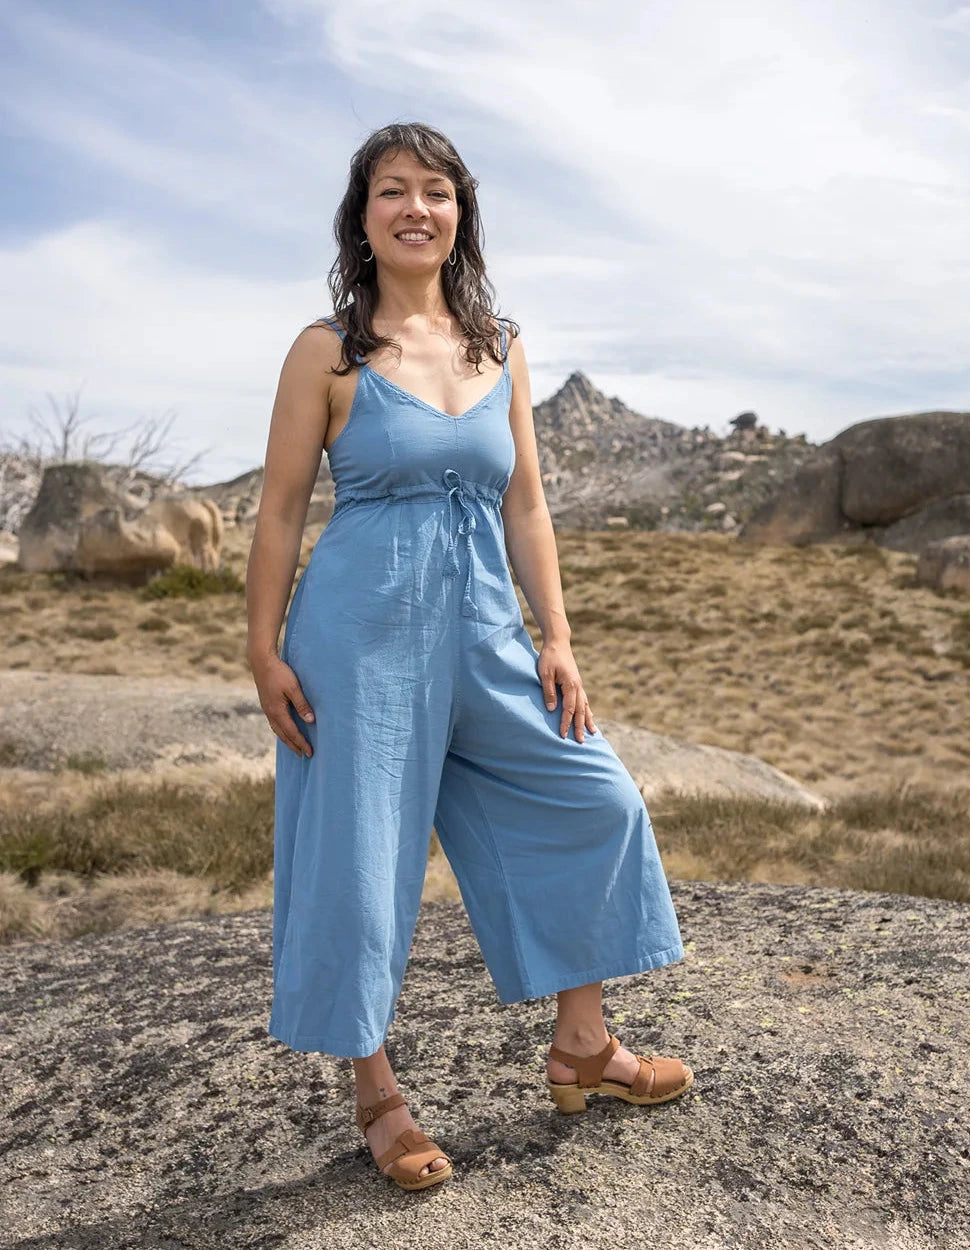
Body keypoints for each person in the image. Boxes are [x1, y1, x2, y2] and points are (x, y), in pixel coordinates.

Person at [245, 122, 693, 1192]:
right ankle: (377, 1094)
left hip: (488, 625)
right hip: (358, 636)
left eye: (435, 191)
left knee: (598, 798)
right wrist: (262, 649)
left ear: (460, 212)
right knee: (361, 866)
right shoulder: (328, 350)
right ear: (363, 215)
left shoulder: (498, 342)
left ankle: (583, 1043)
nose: (415, 207)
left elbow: (526, 502)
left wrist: (559, 636)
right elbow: (277, 512)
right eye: (392, 190)